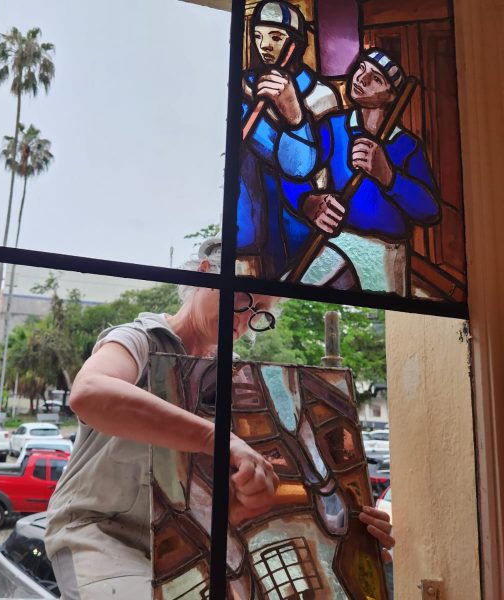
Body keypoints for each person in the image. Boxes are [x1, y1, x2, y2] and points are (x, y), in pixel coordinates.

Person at [45, 238, 396, 599]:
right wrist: (218, 438)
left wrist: (346, 534)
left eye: (259, 311)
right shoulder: (139, 339)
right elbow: (89, 393)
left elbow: (233, 501)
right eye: (242, 297)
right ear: (203, 274)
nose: (245, 319)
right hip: (99, 533)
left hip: (188, 549)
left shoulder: (238, 382)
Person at [281, 49, 441, 293]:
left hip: (385, 249)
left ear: (391, 96)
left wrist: (389, 176)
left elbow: (430, 211)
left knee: (384, 313)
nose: (361, 79)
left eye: (376, 79)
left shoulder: (406, 145)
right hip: (337, 239)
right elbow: (294, 169)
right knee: (289, 291)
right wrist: (308, 202)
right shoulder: (333, 127)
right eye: (362, 68)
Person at [238, 0, 341, 278]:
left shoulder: (322, 95)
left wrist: (295, 115)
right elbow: (256, 149)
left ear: (295, 42)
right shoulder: (243, 89)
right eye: (258, 36)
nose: (265, 46)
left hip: (299, 221)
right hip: (249, 222)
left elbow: (304, 167)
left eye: (275, 37)